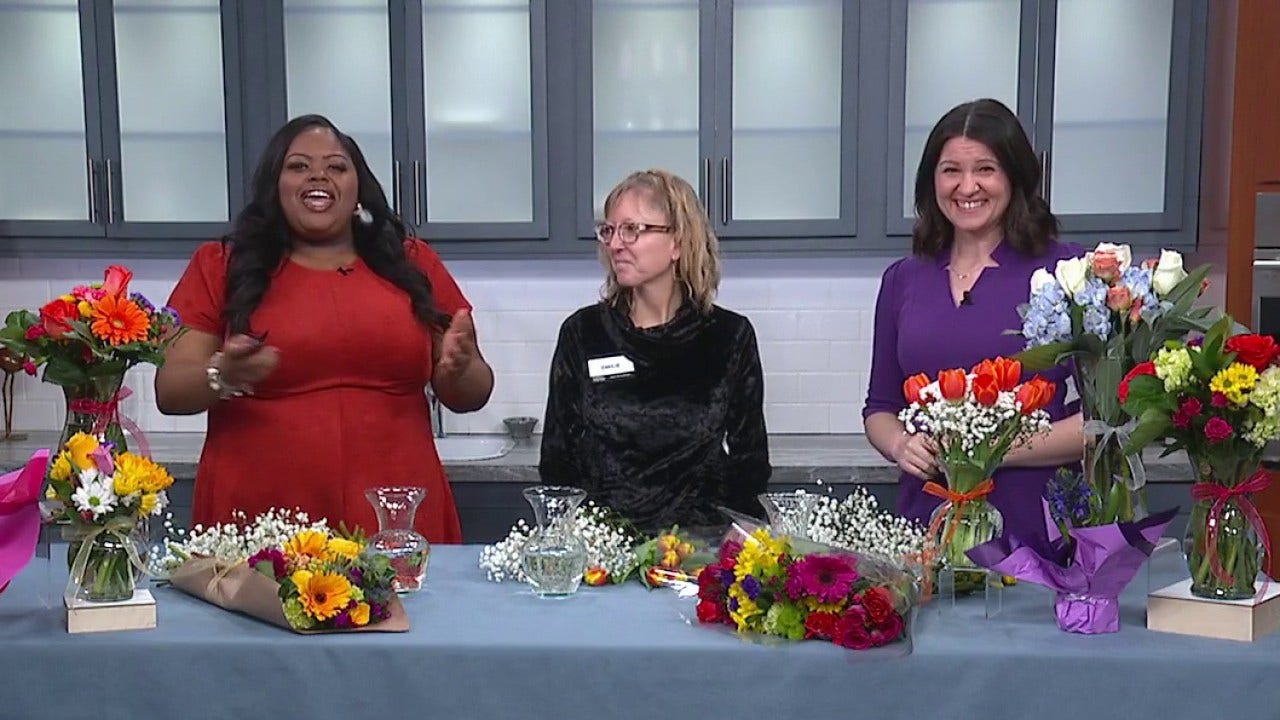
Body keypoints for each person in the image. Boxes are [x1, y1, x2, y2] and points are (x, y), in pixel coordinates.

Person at [155, 114, 493, 544]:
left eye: (336, 166)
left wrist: (458, 370)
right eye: (298, 166)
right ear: (275, 187)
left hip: (394, 514)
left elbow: (474, 391)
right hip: (262, 519)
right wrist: (222, 373)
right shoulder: (221, 265)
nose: (318, 175)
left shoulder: (413, 263)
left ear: (357, 191)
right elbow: (170, 389)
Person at [862, 98, 1083, 558]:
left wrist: (987, 450)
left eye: (985, 169)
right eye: (951, 171)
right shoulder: (903, 279)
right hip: (925, 525)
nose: (967, 187)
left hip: (1034, 527)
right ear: (932, 181)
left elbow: (1102, 425)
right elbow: (880, 408)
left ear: (1014, 177)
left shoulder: (1068, 272)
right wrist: (901, 445)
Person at [539, 169, 770, 534]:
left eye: (632, 229)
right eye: (609, 230)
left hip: (701, 547)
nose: (616, 244)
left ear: (677, 242)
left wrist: (737, 541)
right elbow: (557, 461)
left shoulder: (728, 337)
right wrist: (579, 539)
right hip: (605, 547)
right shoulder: (584, 334)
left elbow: (750, 463)